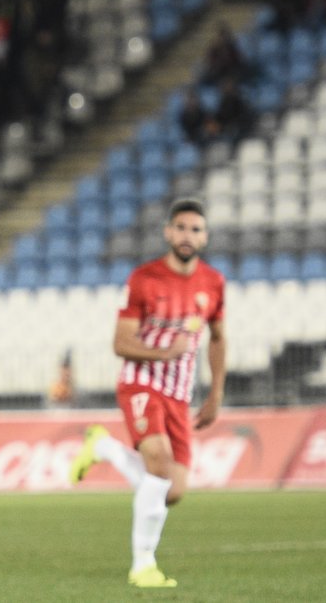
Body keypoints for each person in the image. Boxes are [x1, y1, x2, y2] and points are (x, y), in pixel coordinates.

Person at [69, 198, 226, 589]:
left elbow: (219, 338)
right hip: (141, 382)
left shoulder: (213, 283)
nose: (188, 235)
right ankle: (143, 565)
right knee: (157, 463)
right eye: (181, 228)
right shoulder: (144, 279)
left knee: (172, 492)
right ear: (168, 232)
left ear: (204, 237)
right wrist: (162, 353)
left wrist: (215, 395)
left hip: (179, 393)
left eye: (196, 229)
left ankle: (102, 448)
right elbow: (120, 343)